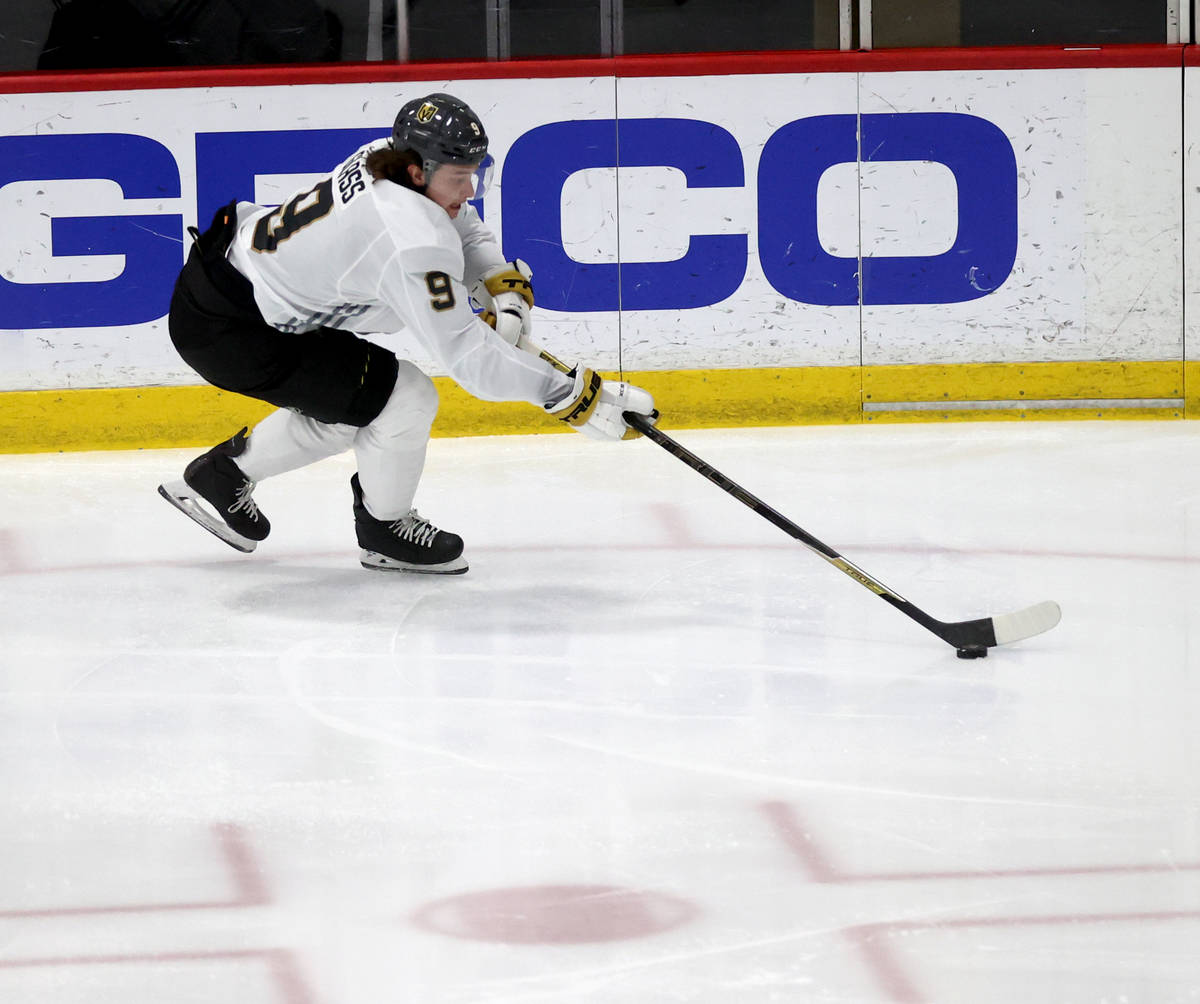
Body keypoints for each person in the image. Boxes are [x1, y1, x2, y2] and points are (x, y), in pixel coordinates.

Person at [159, 92, 656, 575]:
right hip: (233, 328)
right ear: (420, 171)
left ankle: (221, 477)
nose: (470, 190)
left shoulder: (388, 157)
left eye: (474, 174)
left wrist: (499, 284)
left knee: (356, 404)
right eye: (461, 177)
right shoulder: (410, 241)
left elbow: (461, 226)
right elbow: (473, 362)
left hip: (232, 283)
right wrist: (571, 397)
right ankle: (384, 529)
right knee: (404, 398)